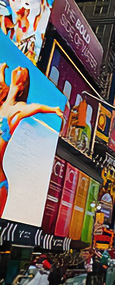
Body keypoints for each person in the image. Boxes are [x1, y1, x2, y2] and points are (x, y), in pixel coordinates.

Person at [0, 65, 63, 216]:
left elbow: (37, 107)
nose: (20, 68)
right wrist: (2, 68)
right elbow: (1, 79)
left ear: (22, 86)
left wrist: (54, 110)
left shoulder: (19, 108)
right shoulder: (3, 97)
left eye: (24, 73)